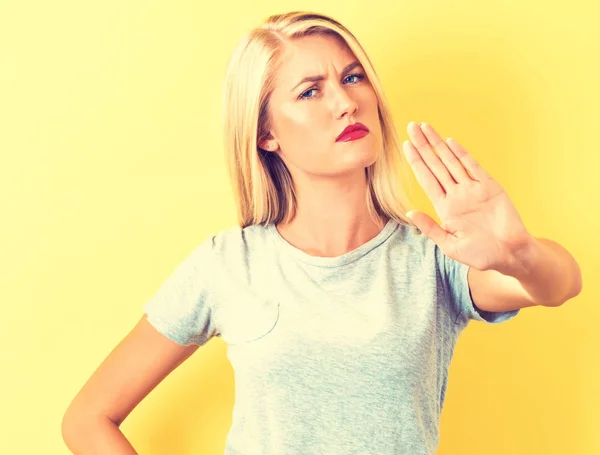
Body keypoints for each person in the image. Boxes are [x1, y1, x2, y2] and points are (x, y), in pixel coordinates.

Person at [61, 10, 581, 455]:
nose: (345, 102)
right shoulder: (227, 264)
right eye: (311, 91)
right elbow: (87, 418)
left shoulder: (433, 258)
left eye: (353, 78)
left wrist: (519, 254)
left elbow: (559, 285)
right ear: (266, 134)